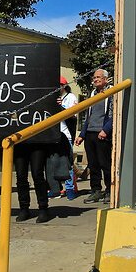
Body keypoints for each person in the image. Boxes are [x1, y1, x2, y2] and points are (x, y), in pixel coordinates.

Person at [75, 69, 113, 205]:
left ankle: (109, 190)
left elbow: (114, 114)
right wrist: (82, 135)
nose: (95, 79)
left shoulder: (111, 93)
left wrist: (106, 130)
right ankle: (96, 190)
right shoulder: (92, 94)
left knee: (105, 164)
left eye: (98, 77)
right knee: (93, 164)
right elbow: (88, 116)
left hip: (102, 134)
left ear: (105, 79)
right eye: (94, 77)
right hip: (90, 133)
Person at [51, 77, 79, 200]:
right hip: (53, 134)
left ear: (65, 85)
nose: (58, 87)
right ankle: (55, 188)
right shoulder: (53, 97)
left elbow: (72, 114)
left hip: (65, 134)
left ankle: (70, 188)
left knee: (67, 162)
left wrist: (60, 106)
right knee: (52, 163)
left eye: (60, 84)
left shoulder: (71, 97)